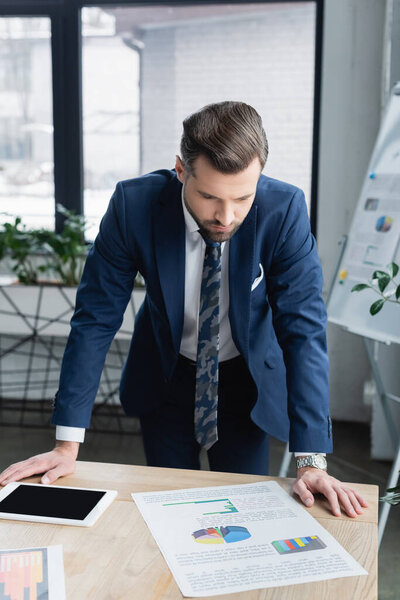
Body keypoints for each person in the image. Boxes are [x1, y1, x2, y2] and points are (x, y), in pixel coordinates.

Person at [0, 101, 368, 518]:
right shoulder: (133, 206)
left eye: (242, 198)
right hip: (166, 374)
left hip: (245, 382)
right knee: (171, 514)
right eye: (209, 196)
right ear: (180, 170)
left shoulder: (284, 211)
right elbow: (95, 319)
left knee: (243, 515)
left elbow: (303, 331)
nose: (226, 217)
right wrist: (66, 446)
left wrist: (312, 462)